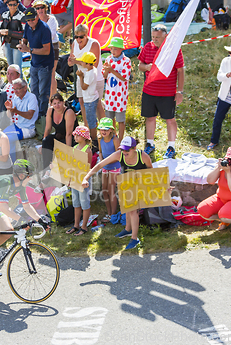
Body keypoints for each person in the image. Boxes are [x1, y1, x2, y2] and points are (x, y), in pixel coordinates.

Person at [0, 159, 50, 278]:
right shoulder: (6, 182)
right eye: (29, 176)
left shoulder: (21, 186)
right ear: (21, 175)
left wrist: (40, 220)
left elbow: (27, 206)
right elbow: (4, 208)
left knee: (9, 230)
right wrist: (21, 219)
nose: (31, 178)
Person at [82, 136, 153, 250]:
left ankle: (134, 239)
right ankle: (128, 230)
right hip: (126, 183)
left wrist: (161, 187)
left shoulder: (143, 156)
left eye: (127, 150)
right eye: (122, 149)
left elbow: (151, 171)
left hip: (140, 182)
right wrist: (86, 177)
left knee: (133, 210)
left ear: (134, 148)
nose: (124, 152)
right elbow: (100, 165)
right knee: (128, 208)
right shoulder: (119, 154)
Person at [138, 24, 184, 159]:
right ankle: (150, 144)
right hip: (149, 91)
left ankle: (171, 146)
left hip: (167, 92)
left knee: (170, 119)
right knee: (150, 118)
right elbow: (140, 65)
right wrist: (147, 67)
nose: (154, 40)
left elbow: (181, 70)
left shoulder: (174, 49)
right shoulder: (148, 47)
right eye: (153, 37)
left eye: (157, 37)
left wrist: (179, 91)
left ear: (166, 36)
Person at [17, 7, 54, 121]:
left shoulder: (44, 28)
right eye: (28, 20)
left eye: (32, 19)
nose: (30, 22)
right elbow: (25, 38)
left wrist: (28, 50)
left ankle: (42, 116)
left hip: (45, 64)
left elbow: (46, 50)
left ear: (37, 16)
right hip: (34, 63)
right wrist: (22, 44)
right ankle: (34, 113)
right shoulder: (28, 26)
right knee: (34, 91)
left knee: (43, 92)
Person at [68, 23, 105, 131]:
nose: (78, 39)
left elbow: (95, 63)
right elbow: (71, 60)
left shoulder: (94, 43)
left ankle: (105, 129)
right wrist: (71, 62)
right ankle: (86, 128)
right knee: (81, 101)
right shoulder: (75, 43)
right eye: (76, 36)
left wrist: (77, 61)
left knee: (97, 103)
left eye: (81, 36)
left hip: (95, 77)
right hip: (81, 77)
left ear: (86, 35)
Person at [65, 126, 92, 236]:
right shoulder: (74, 147)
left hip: (82, 180)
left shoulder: (88, 150)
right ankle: (76, 225)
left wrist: (85, 179)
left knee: (84, 204)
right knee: (76, 204)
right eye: (75, 135)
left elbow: (89, 167)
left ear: (84, 137)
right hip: (74, 180)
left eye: (77, 135)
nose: (75, 137)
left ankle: (84, 226)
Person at [102, 37, 131, 140]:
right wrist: (106, 70)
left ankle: (121, 139)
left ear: (121, 49)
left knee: (120, 119)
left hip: (120, 96)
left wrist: (111, 70)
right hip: (110, 94)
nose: (112, 51)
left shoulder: (126, 61)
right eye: (111, 49)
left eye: (115, 49)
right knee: (110, 118)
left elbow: (124, 77)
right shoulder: (108, 59)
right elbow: (104, 75)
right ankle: (113, 137)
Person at [3, 78, 39, 160]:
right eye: (14, 89)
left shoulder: (31, 97)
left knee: (7, 139)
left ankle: (14, 164)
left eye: (18, 89)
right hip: (18, 126)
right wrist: (9, 109)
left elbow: (30, 115)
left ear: (25, 87)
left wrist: (16, 111)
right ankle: (7, 161)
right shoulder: (16, 98)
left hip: (28, 129)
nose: (15, 91)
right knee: (0, 136)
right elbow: (10, 115)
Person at [41, 93, 78, 168]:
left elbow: (69, 134)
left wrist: (69, 151)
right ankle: (46, 168)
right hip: (59, 135)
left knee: (60, 146)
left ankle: (57, 169)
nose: (57, 105)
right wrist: (43, 146)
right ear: (51, 104)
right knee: (46, 141)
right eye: (54, 103)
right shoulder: (50, 110)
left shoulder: (69, 112)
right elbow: (48, 128)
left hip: (72, 138)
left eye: (59, 103)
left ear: (63, 102)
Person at [33, 0, 60, 96]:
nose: (40, 10)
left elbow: (52, 35)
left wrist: (38, 39)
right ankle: (43, 99)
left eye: (42, 7)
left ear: (46, 8)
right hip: (39, 50)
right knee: (39, 75)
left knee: (51, 75)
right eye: (37, 8)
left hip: (52, 48)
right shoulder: (34, 21)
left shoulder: (52, 19)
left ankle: (53, 99)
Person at [97, 117, 120, 223]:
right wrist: (102, 162)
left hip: (114, 167)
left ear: (111, 129)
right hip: (105, 167)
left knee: (111, 190)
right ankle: (109, 212)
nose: (103, 131)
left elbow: (118, 155)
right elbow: (100, 152)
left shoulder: (115, 140)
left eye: (106, 129)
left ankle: (114, 214)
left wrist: (104, 162)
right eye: (102, 129)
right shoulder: (99, 139)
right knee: (104, 190)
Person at [75, 52, 99, 149]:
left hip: (90, 100)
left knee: (91, 121)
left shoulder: (89, 74)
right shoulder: (93, 70)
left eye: (84, 62)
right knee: (92, 119)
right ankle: (94, 138)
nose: (82, 64)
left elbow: (84, 87)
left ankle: (94, 141)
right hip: (93, 98)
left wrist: (81, 77)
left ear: (88, 64)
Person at [0, 0, 25, 72]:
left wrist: (8, 32)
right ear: (7, 5)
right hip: (7, 43)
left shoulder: (22, 16)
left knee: (17, 68)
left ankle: (20, 83)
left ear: (18, 5)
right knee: (10, 67)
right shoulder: (4, 15)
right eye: (10, 5)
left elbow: (24, 33)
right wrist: (1, 32)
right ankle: (12, 83)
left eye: (14, 4)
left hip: (17, 44)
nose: (12, 6)